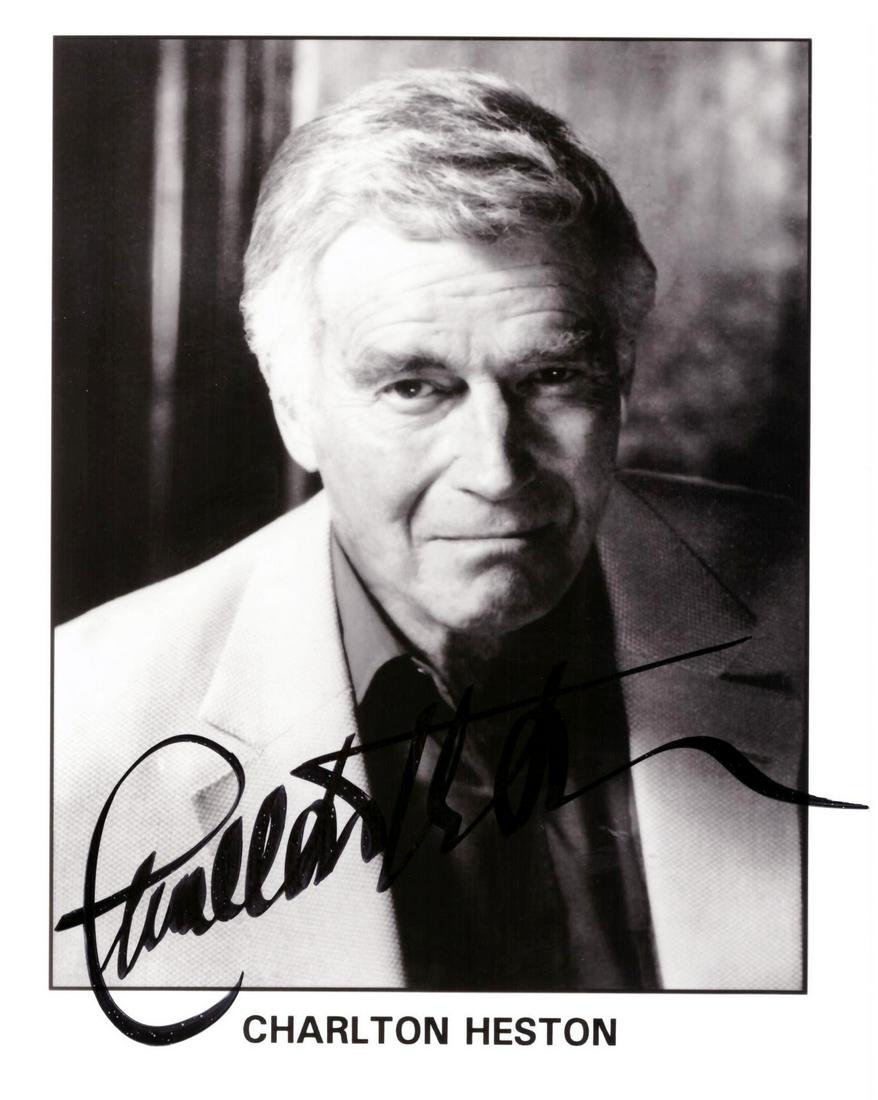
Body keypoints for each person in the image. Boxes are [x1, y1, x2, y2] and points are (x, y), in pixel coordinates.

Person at [53, 69, 806, 994]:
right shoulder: (69, 738)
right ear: (294, 407)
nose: (496, 470)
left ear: (622, 378)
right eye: (415, 387)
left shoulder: (829, 605)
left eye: (552, 378)